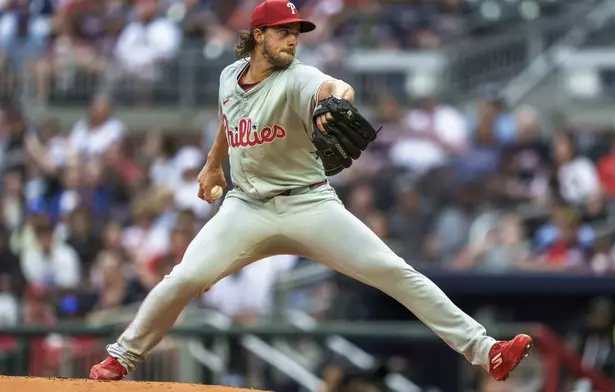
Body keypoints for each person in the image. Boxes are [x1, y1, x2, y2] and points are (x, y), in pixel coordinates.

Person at [89, 0, 532, 383]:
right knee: (184, 279)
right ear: (258, 35)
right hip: (245, 207)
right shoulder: (229, 76)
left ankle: (486, 351)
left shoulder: (299, 78)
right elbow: (228, 118)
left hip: (309, 202)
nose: (292, 40)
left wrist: (331, 103)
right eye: (284, 32)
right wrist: (210, 166)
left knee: (394, 271)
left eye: (296, 32)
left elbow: (335, 87)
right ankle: (121, 356)